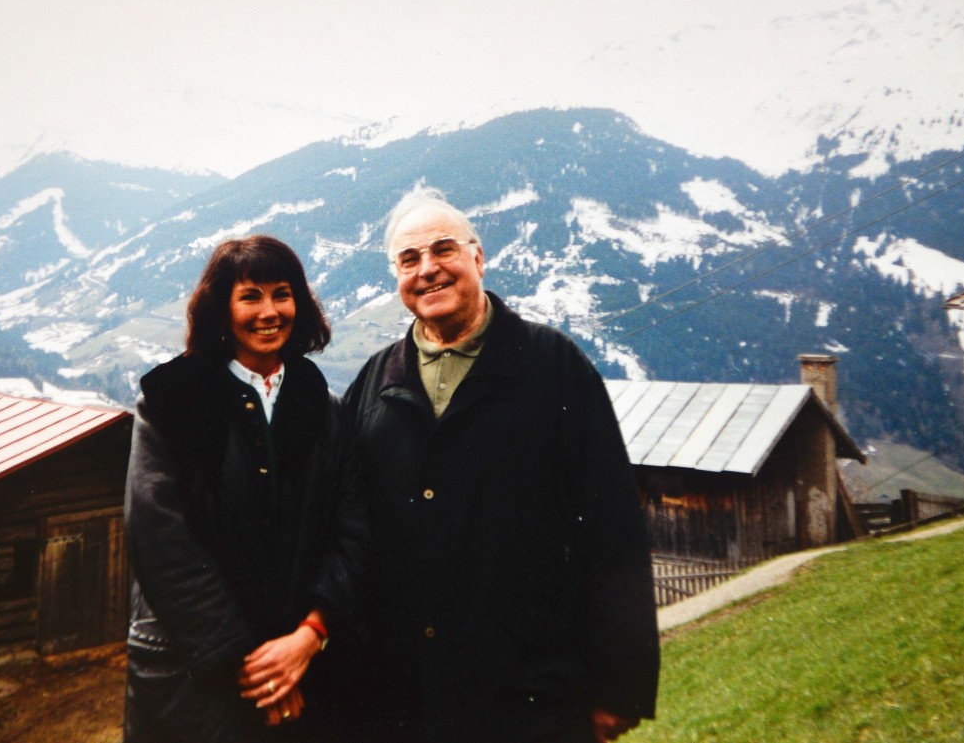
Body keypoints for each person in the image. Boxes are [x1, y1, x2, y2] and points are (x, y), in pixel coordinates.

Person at [342, 189, 659, 743]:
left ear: (478, 258)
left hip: (529, 690)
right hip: (403, 694)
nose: (428, 269)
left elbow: (613, 531)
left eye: (444, 250)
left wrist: (621, 684)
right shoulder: (374, 382)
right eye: (409, 259)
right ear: (396, 275)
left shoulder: (554, 367)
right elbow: (342, 524)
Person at [123, 235, 368, 743]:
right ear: (221, 309)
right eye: (250, 296)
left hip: (304, 666)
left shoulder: (323, 407)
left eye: (282, 293)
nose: (269, 311)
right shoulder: (172, 399)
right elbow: (160, 540)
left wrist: (309, 636)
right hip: (195, 678)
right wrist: (255, 669)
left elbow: (354, 531)